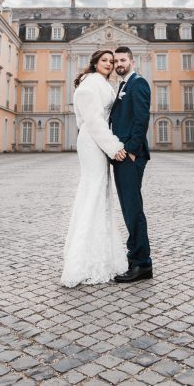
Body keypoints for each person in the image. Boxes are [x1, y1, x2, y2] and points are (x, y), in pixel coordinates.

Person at [60, 50, 129, 287]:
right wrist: (114, 147)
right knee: (93, 191)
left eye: (111, 61)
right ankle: (82, 260)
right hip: (93, 141)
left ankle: (100, 253)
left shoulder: (100, 83)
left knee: (99, 192)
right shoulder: (90, 85)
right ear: (94, 63)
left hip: (97, 140)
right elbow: (94, 121)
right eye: (105, 61)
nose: (109, 64)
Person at [108, 46, 153, 282]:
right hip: (121, 154)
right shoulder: (122, 85)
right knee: (128, 209)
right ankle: (134, 256)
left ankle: (143, 263)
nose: (118, 63)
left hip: (130, 156)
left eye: (123, 60)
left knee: (133, 210)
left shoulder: (138, 83)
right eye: (116, 60)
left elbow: (142, 118)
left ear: (132, 61)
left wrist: (133, 151)